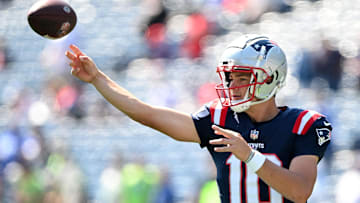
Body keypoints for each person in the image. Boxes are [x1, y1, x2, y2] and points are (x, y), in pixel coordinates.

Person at [65, 34, 332, 203]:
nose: (234, 85)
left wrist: (249, 155)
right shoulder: (220, 118)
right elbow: (146, 114)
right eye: (230, 78)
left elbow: (299, 192)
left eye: (243, 77)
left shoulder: (305, 125)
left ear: (271, 77)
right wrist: (98, 79)